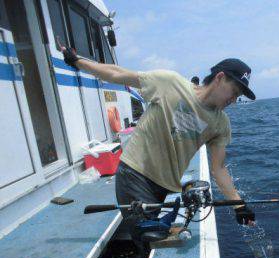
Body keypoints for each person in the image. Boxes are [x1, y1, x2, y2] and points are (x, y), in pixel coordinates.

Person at [60, 45, 256, 244]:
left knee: (154, 234)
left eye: (238, 96)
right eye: (234, 91)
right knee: (149, 236)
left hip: (164, 186)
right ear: (220, 77)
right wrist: (77, 62)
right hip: (135, 173)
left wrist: (238, 205)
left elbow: (219, 168)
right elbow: (117, 74)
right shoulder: (170, 83)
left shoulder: (221, 123)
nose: (234, 99)